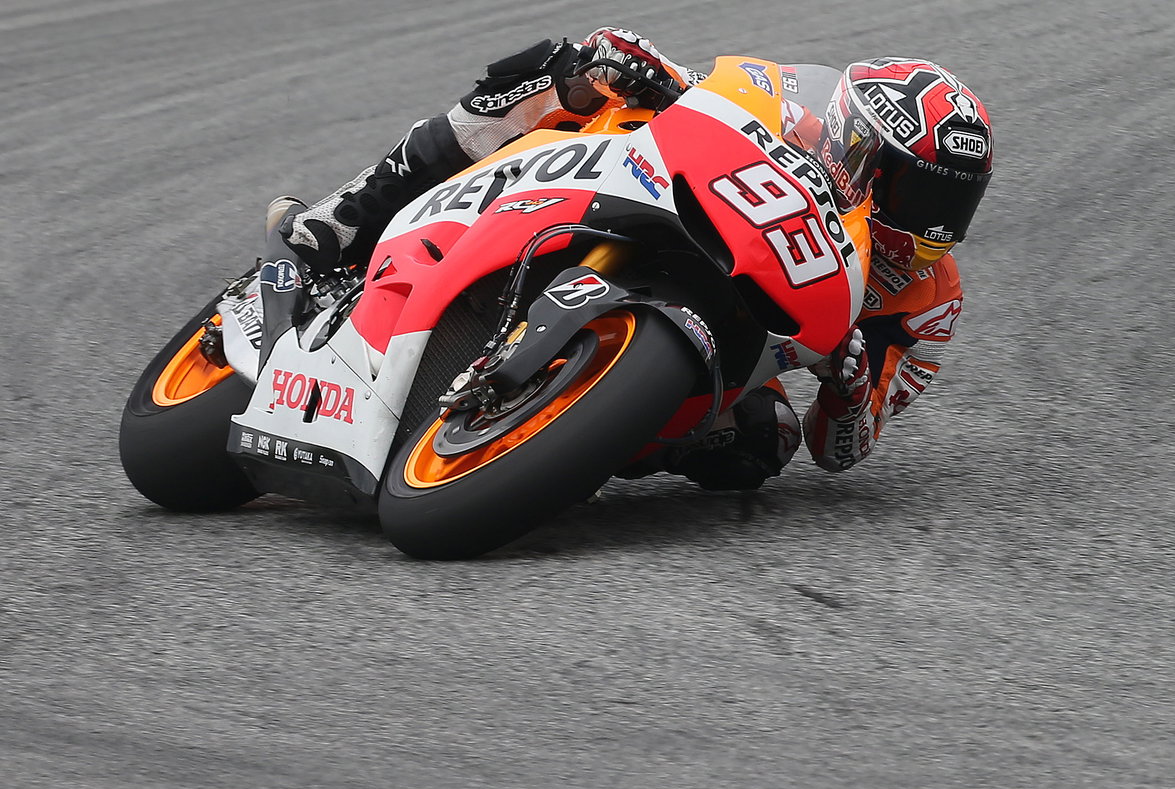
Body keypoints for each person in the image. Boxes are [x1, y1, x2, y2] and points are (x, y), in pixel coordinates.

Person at [275, 28, 993, 490]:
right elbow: (710, 90)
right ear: (856, 142)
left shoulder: (929, 299)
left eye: (948, 207)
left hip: (747, 339)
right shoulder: (791, 112)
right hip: (663, 200)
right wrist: (636, 64)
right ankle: (348, 217)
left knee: (760, 444)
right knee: (558, 73)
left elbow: (843, 451)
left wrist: (848, 386)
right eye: (914, 189)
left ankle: (579, 431)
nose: (929, 223)